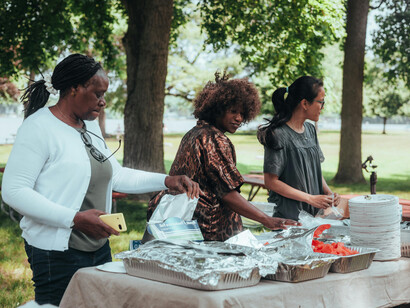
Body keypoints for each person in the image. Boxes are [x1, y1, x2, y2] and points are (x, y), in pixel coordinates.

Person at [1, 53, 200, 306]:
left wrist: (166, 181)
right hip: (57, 252)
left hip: (98, 246)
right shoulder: (38, 128)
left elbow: (115, 175)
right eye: (98, 93)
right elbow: (14, 191)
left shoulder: (89, 126)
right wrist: (74, 219)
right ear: (74, 89)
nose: (103, 102)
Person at [147, 72, 299, 241]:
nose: (239, 118)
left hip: (186, 228)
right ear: (217, 109)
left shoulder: (194, 133)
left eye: (243, 113)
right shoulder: (213, 139)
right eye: (233, 111)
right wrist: (267, 220)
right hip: (209, 233)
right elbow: (227, 194)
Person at [257, 76, 341, 221]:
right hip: (288, 219)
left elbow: (313, 169)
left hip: (313, 218)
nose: (322, 107)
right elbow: (271, 182)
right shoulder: (278, 134)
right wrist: (310, 198)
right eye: (321, 102)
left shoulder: (310, 129)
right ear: (305, 103)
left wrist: (329, 193)